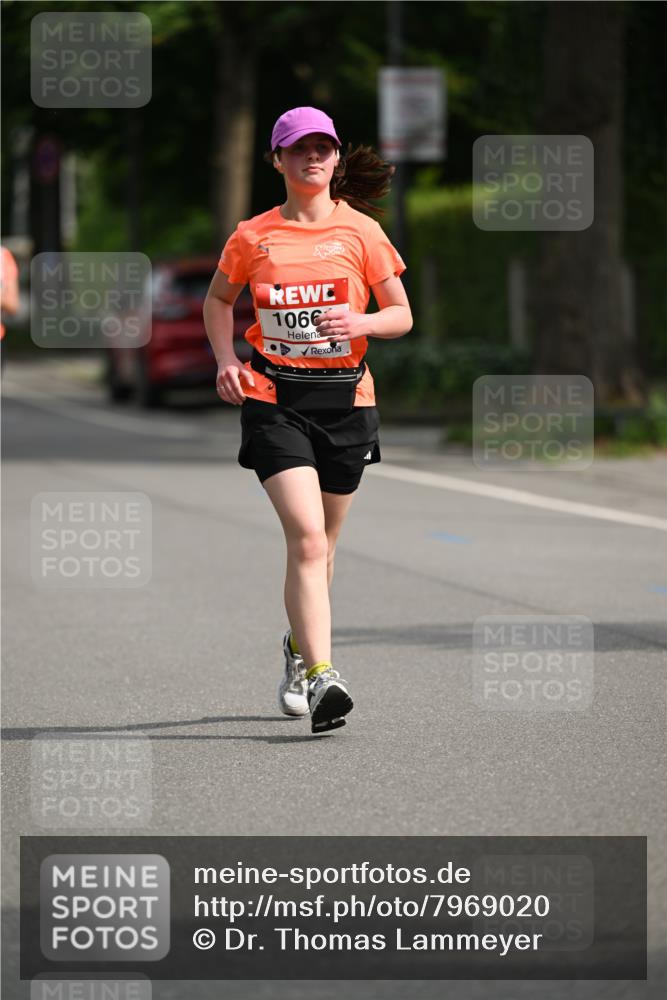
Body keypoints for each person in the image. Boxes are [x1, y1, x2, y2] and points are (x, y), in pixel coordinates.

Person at [203, 106, 412, 735]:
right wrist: (224, 360)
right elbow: (219, 299)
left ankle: (297, 651)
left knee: (326, 549)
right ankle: (323, 674)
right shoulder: (253, 235)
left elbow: (400, 313)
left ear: (337, 159)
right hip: (275, 400)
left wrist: (363, 322)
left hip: (348, 402)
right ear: (278, 160)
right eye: (298, 149)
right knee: (307, 539)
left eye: (323, 148)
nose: (312, 158)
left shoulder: (363, 233)